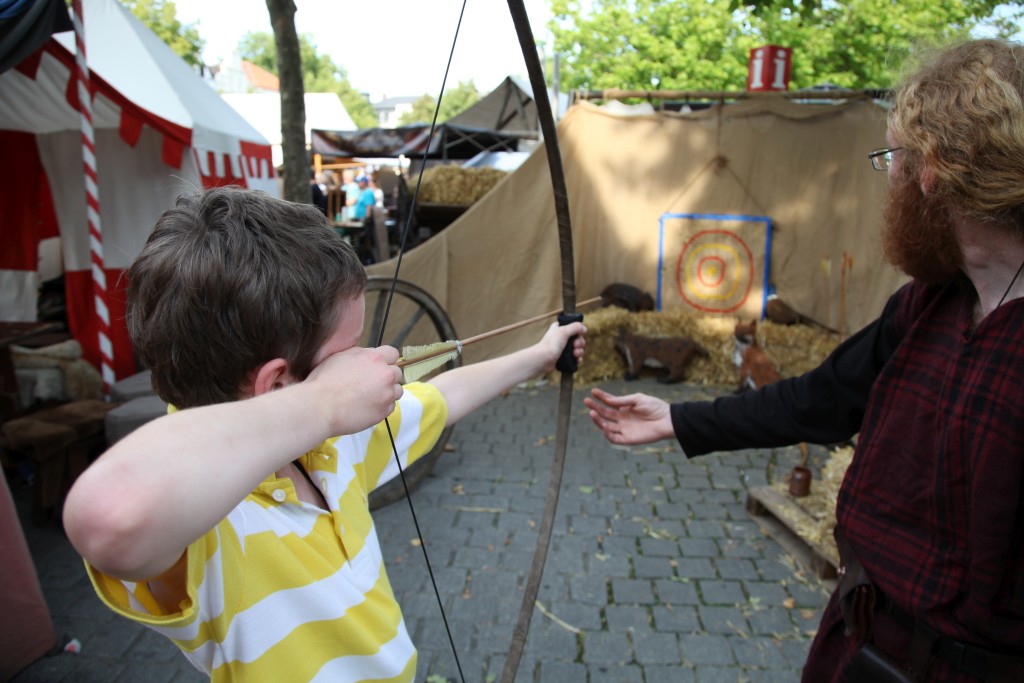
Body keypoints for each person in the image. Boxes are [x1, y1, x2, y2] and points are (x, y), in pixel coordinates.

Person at [585, 39, 1024, 683]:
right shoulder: (929, 303)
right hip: (861, 638)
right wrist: (679, 420)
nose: (890, 178)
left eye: (893, 158)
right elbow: (819, 399)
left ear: (933, 170)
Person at [62, 186, 586, 683]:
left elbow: (444, 397)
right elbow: (109, 515)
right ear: (278, 384)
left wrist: (539, 356)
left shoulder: (329, 447)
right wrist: (324, 403)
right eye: (349, 352)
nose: (367, 361)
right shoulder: (210, 523)